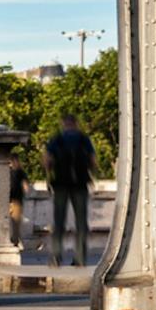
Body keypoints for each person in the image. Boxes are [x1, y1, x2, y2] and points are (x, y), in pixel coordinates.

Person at [44, 114, 95, 267]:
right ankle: (80, 258)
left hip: (61, 184)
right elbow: (93, 160)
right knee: (81, 223)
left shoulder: (56, 139)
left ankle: (56, 257)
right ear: (76, 123)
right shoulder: (84, 139)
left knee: (59, 222)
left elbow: (47, 160)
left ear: (63, 124)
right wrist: (89, 174)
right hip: (80, 184)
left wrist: (49, 175)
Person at [7, 152, 26, 246]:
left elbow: (25, 185)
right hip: (10, 200)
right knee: (12, 222)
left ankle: (15, 240)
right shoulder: (8, 170)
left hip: (15, 200)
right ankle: (12, 240)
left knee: (15, 222)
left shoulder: (20, 172)